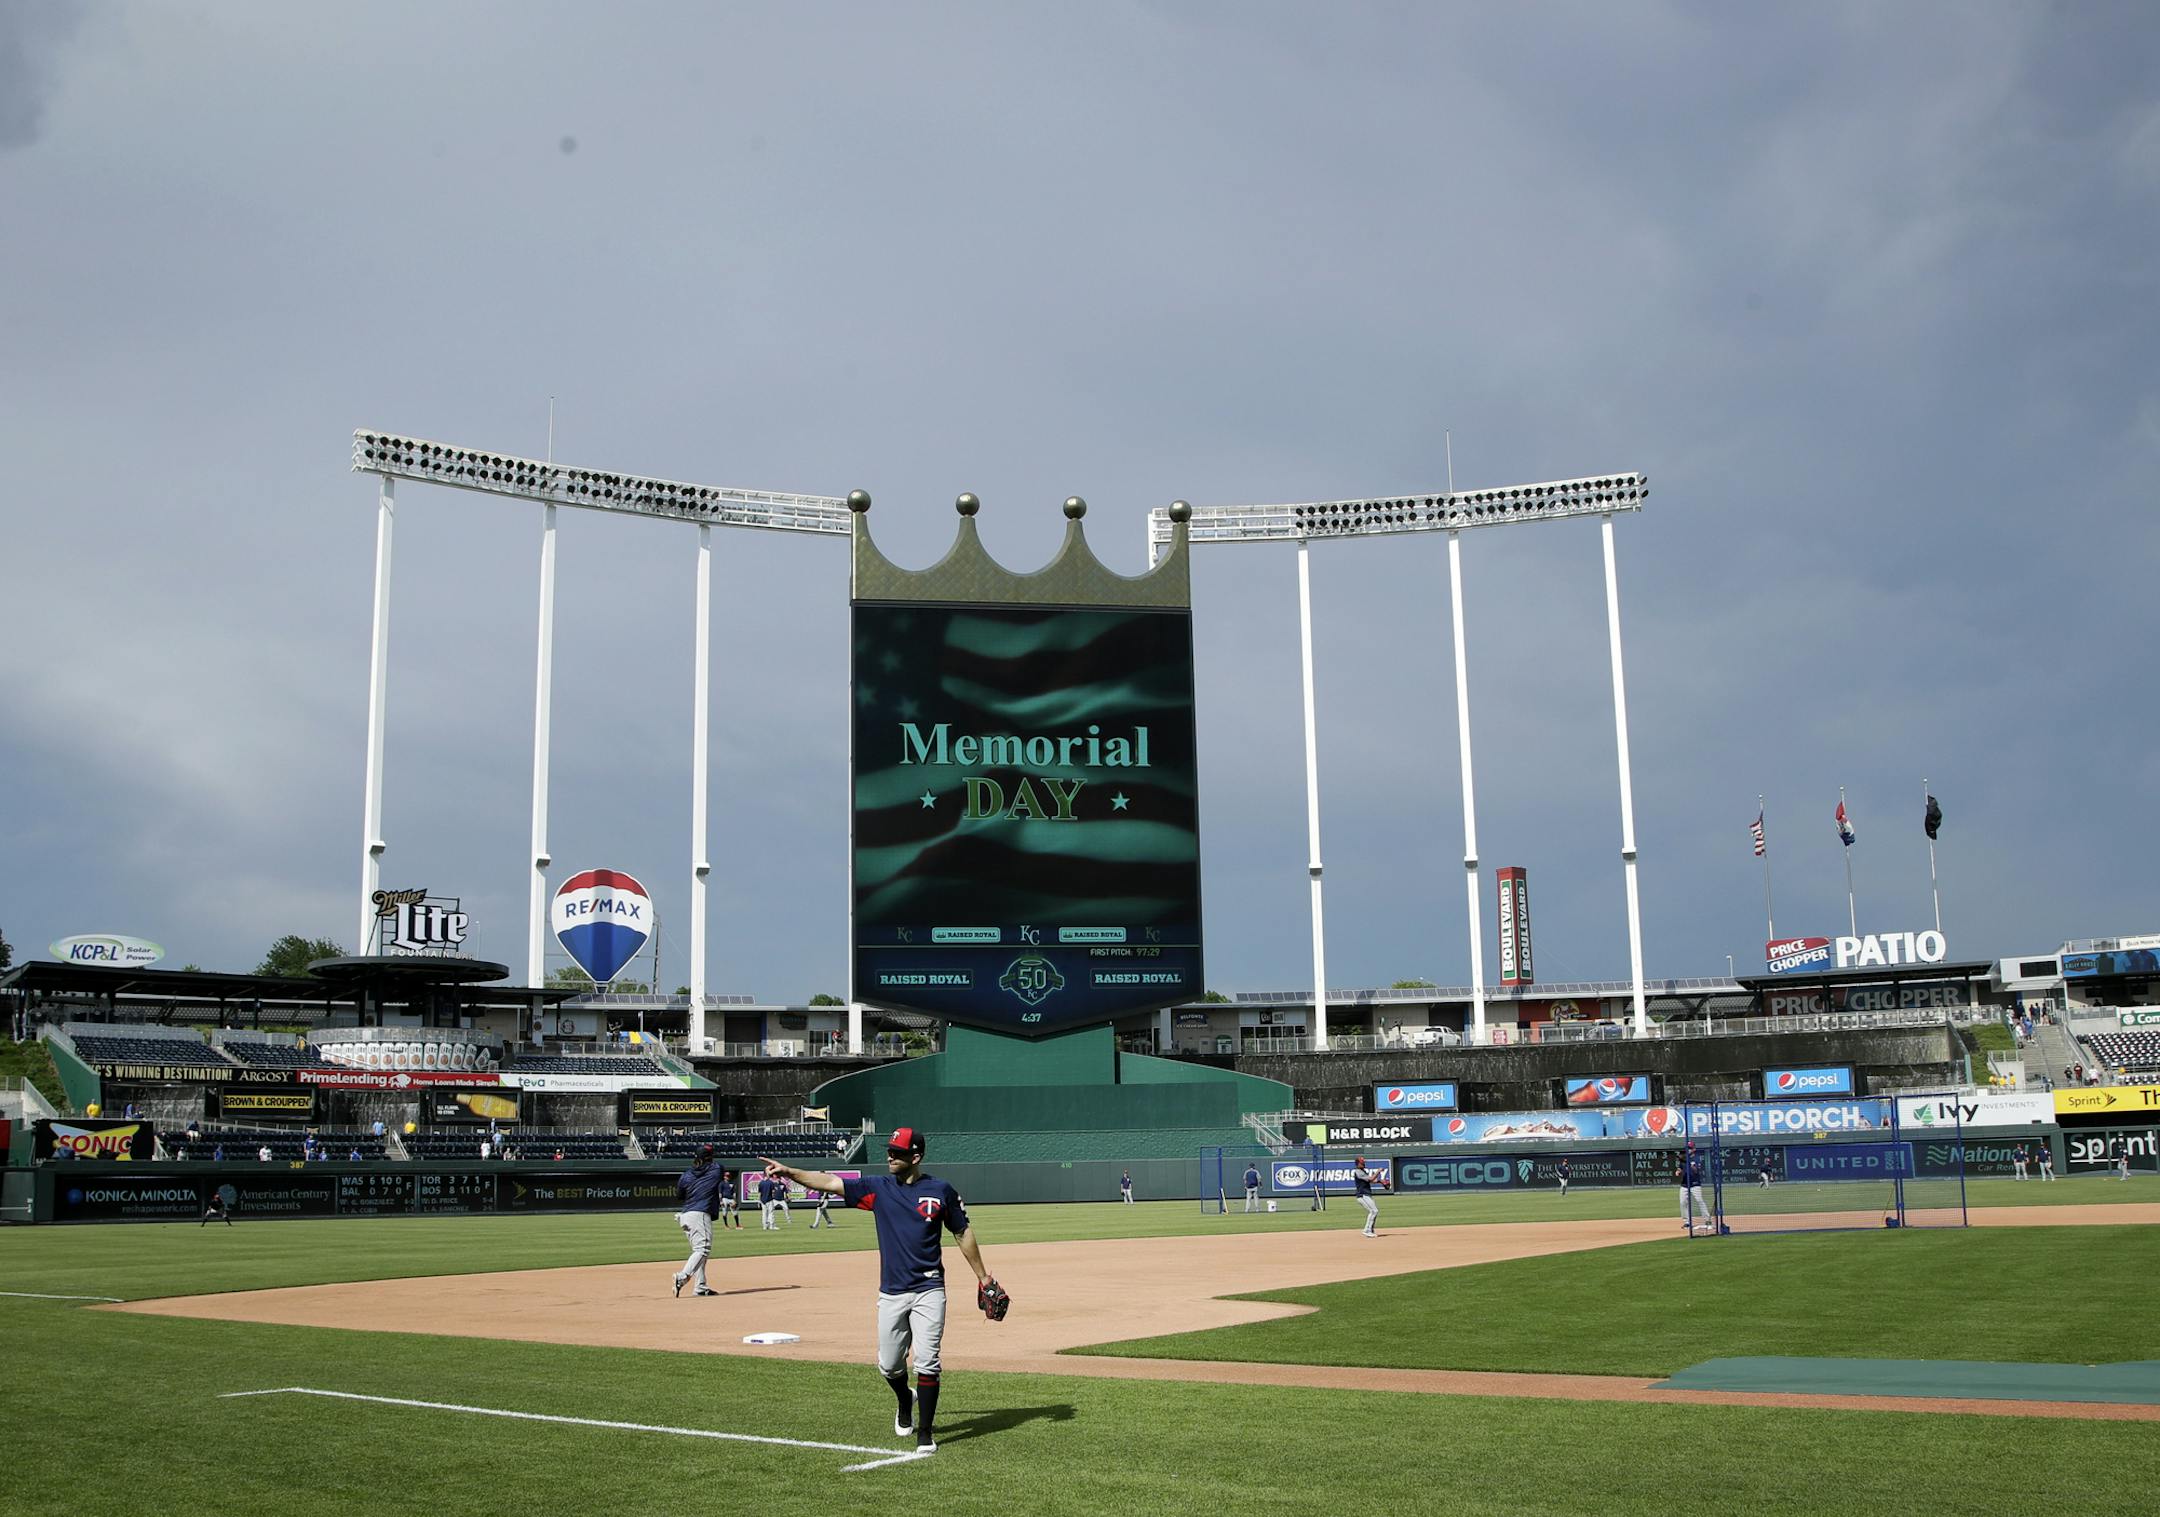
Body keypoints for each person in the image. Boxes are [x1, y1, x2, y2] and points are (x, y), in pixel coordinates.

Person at [760, 1126, 999, 1457]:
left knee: (928, 1360)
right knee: (889, 1365)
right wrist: (790, 1172)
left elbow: (962, 1232)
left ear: (915, 1157)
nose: (890, 1156)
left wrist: (983, 1277)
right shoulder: (878, 1188)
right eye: (889, 1150)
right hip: (892, 1291)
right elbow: (829, 1181)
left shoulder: (940, 1190)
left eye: (897, 1152)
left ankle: (926, 1434)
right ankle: (905, 1398)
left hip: (930, 1288)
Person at [671, 1145, 725, 1298]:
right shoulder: (716, 1169)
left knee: (699, 1252)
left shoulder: (686, 1174)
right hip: (700, 1213)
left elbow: (679, 1195)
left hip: (685, 1214)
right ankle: (682, 1277)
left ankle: (700, 1287)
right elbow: (715, 1172)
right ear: (710, 1157)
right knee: (703, 1249)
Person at [1679, 1145, 1713, 1233]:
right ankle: (1687, 1222)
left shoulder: (1697, 1159)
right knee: (1683, 1202)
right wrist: (1678, 1171)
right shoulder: (1683, 1159)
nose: (1688, 1150)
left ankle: (1707, 1220)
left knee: (1700, 1200)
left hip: (1695, 1184)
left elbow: (1696, 1171)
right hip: (1684, 1184)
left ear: (1694, 1149)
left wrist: (1692, 1166)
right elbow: (1680, 1168)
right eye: (1687, 1148)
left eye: (1690, 1148)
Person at [1351, 1156, 1385, 1236]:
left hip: (1365, 1195)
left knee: (1373, 1211)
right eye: (1362, 1163)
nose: (1364, 1164)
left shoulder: (1362, 1171)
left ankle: (1369, 1230)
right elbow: (1371, 1179)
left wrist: (1380, 1181)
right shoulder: (1358, 1171)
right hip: (1362, 1195)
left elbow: (1370, 1180)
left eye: (1364, 1162)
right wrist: (1378, 1171)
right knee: (1374, 1211)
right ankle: (1367, 1231)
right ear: (1358, 1164)